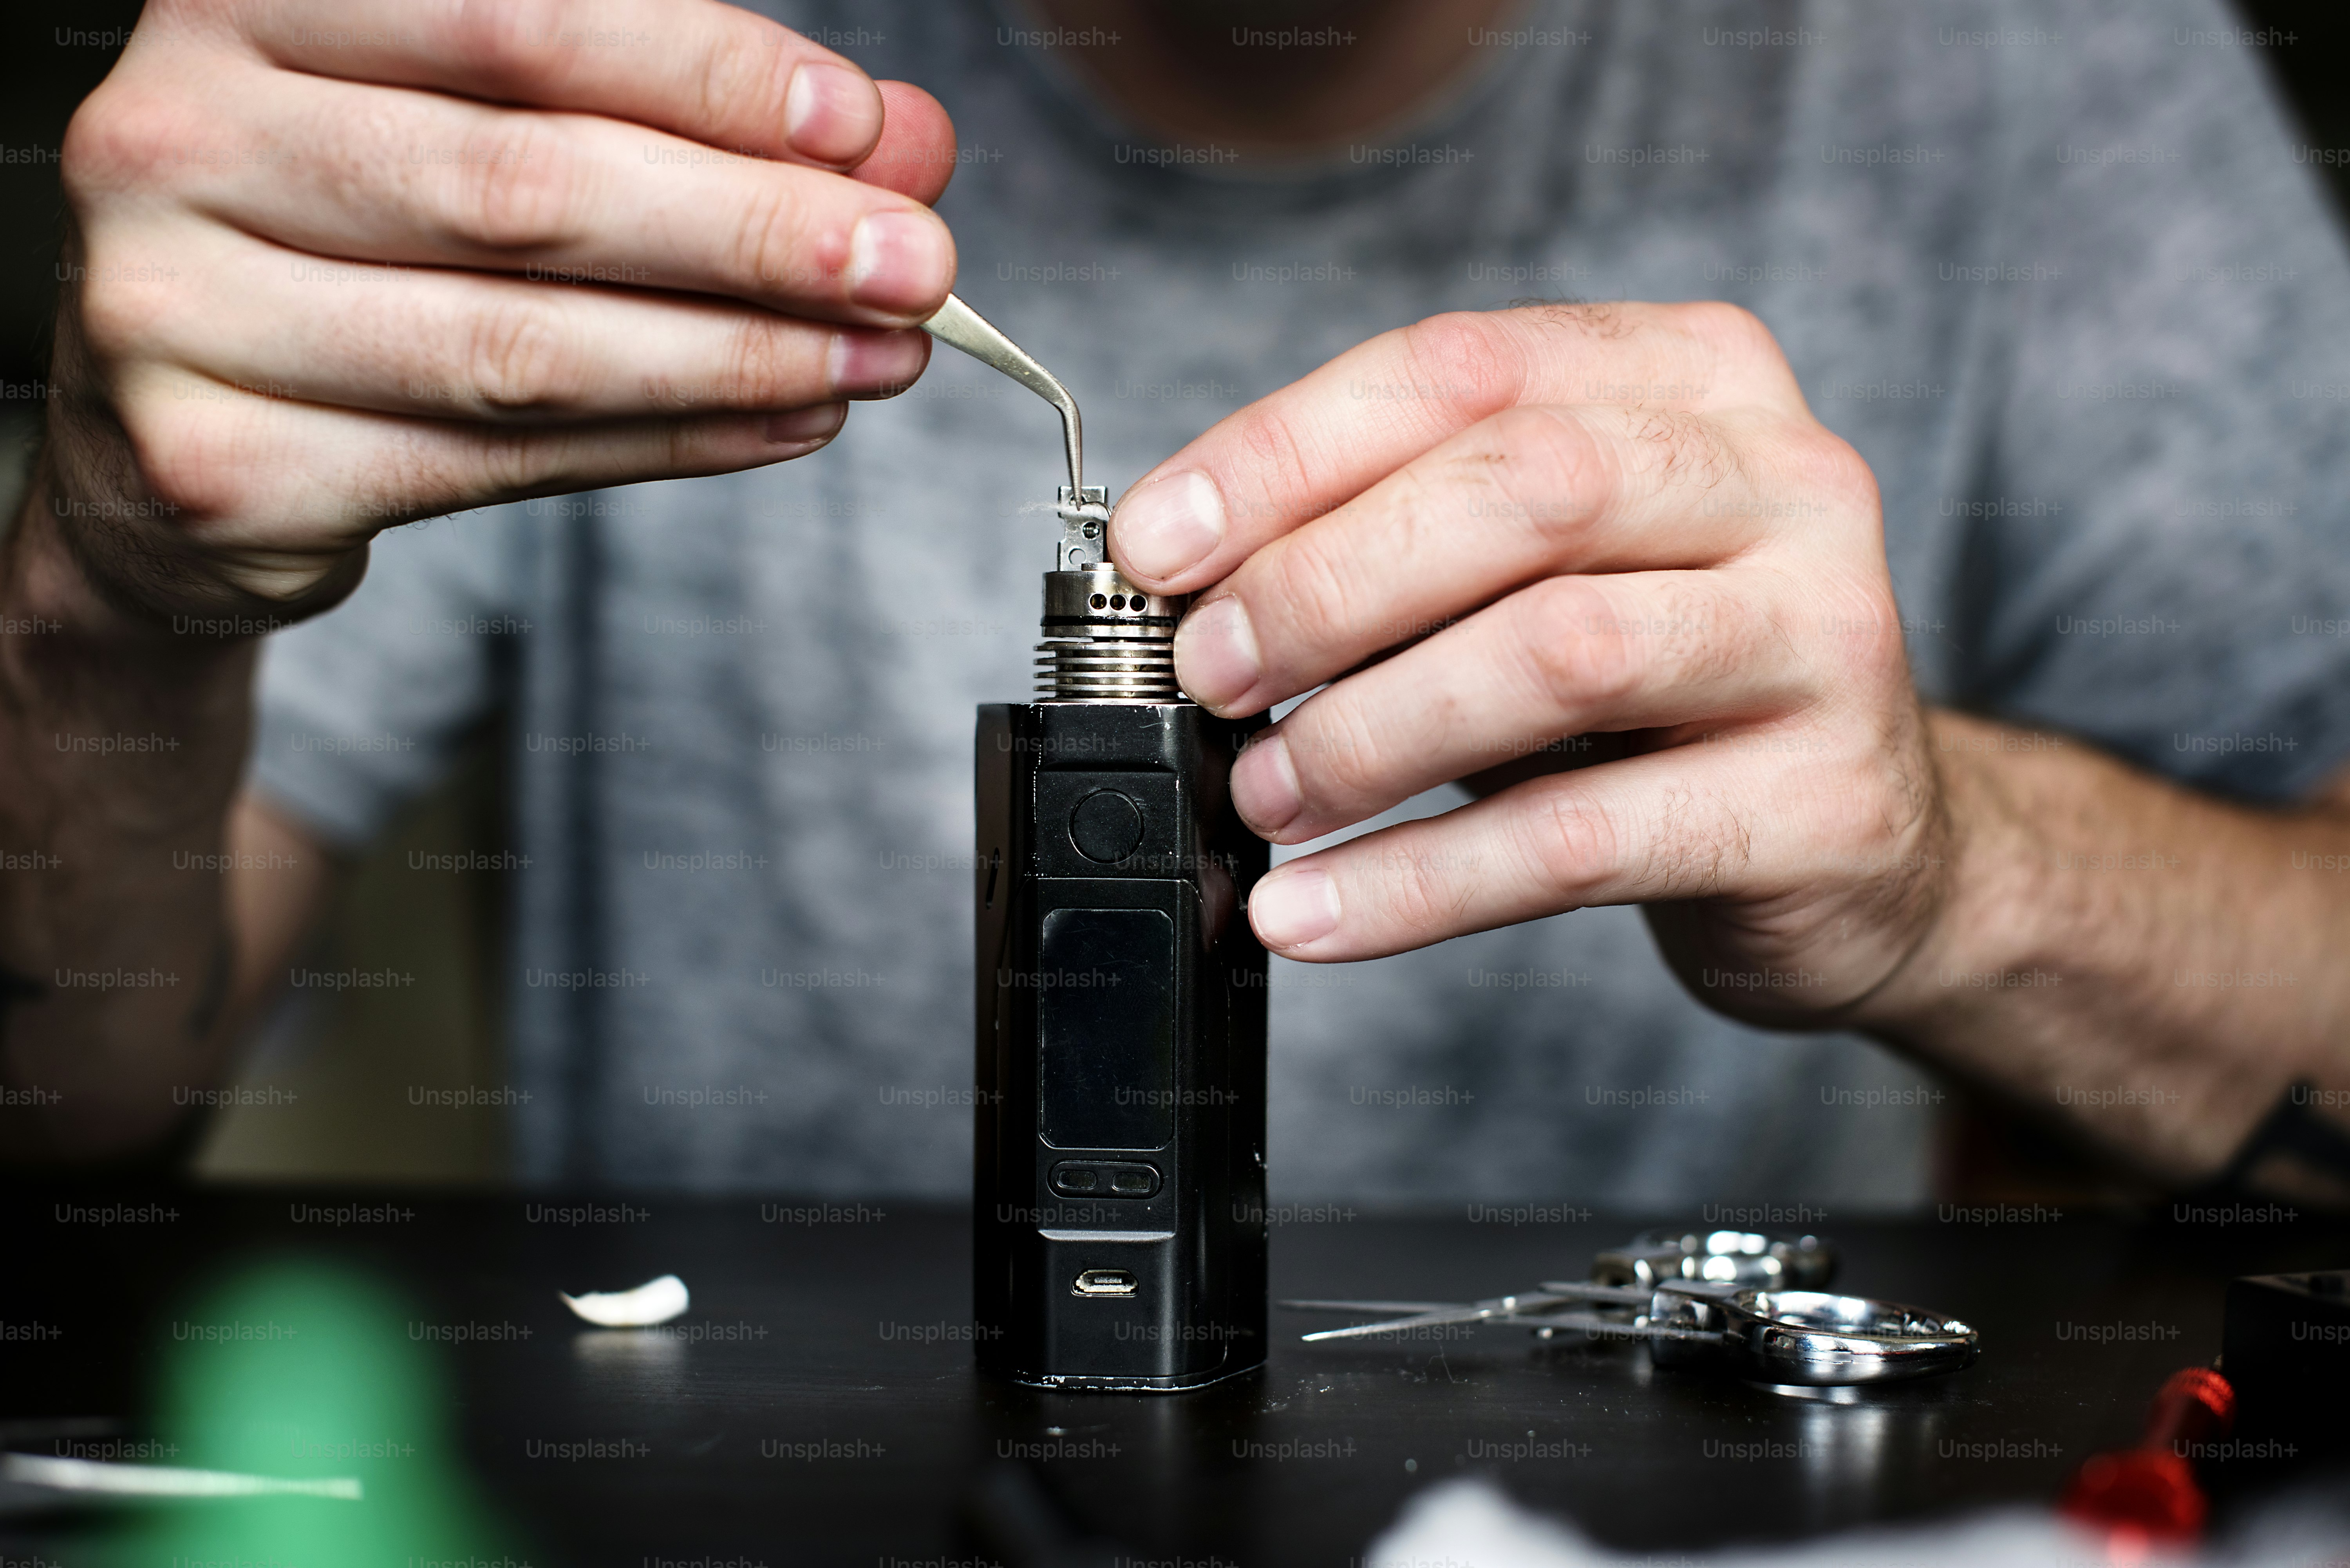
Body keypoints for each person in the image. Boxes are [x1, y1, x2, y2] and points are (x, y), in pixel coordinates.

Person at [5, 0, 2349, 1207]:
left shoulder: (2026, 69)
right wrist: (97, 592)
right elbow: (68, 1093)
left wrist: (1953, 866)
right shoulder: (567, 86)